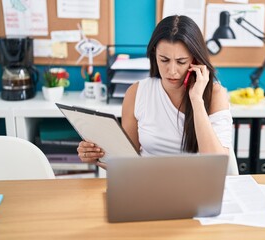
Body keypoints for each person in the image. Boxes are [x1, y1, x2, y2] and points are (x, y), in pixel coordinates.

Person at [77, 15, 236, 172]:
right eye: (164, 60)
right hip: (148, 186)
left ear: (195, 60)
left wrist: (197, 101)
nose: (171, 71)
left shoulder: (215, 95)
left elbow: (217, 166)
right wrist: (97, 155)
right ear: (154, 55)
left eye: (181, 61)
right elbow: (127, 164)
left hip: (197, 190)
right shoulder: (137, 92)